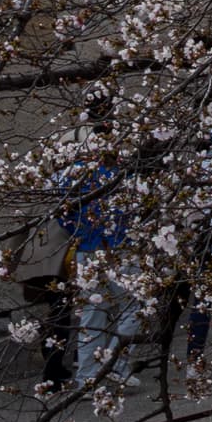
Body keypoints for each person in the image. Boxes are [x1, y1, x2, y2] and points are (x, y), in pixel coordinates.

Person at [54, 115, 136, 388]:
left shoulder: (63, 177)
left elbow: (63, 219)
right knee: (135, 307)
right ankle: (116, 364)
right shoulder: (111, 174)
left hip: (85, 251)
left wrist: (82, 234)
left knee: (91, 316)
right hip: (116, 248)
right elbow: (124, 213)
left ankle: (87, 377)